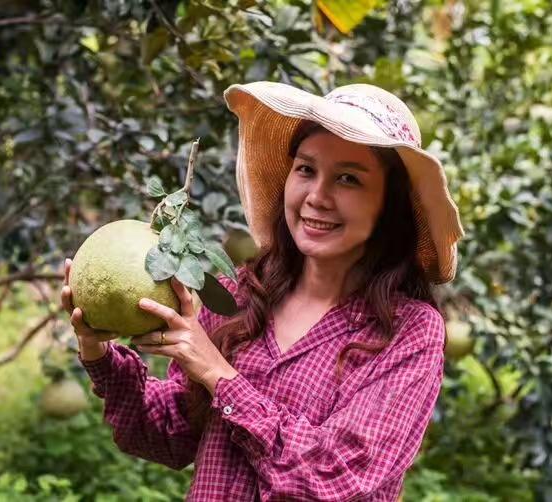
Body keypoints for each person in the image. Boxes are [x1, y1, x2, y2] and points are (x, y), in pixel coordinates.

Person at [60, 81, 465, 501]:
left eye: (348, 179)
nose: (317, 197)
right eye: (306, 169)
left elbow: (334, 479)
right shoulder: (235, 295)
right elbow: (170, 436)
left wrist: (219, 376)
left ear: (388, 206)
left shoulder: (408, 332)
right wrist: (98, 351)